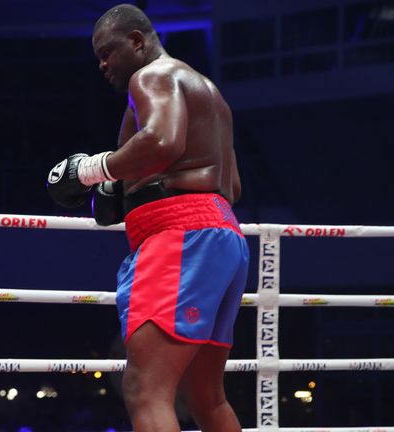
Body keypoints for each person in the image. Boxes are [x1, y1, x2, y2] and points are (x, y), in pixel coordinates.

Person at [46, 4, 249, 432]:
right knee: (206, 396)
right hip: (221, 233)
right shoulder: (209, 92)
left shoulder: (152, 75)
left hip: (179, 236)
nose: (102, 64)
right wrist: (123, 190)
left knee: (144, 388)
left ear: (137, 41)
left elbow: (161, 141)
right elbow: (231, 186)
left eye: (108, 51)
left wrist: (92, 169)